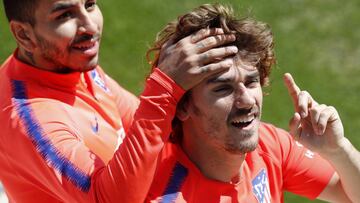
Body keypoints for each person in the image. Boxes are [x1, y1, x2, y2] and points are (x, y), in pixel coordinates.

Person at [0, 0, 239, 202]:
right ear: (24, 34)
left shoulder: (66, 65)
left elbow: (156, 131)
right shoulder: (29, 119)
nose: (90, 26)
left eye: (90, 4)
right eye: (65, 15)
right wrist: (165, 85)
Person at [145, 3, 360, 203]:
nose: (247, 101)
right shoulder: (154, 189)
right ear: (183, 105)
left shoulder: (272, 146)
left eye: (251, 82)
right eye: (223, 88)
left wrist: (338, 151)